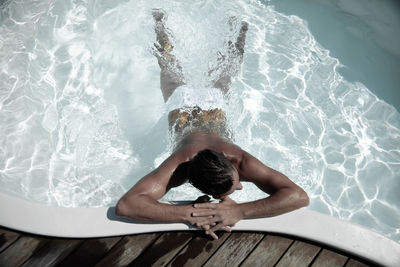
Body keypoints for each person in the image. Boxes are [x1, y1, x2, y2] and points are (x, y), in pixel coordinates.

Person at [115, 9, 309, 240]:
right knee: (194, 65)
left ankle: (168, 21)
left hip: (185, 106)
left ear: (229, 161)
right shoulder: (190, 163)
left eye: (234, 185)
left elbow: (299, 196)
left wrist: (240, 210)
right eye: (238, 185)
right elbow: (126, 206)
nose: (240, 188)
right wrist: (188, 214)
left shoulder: (201, 161)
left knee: (175, 64)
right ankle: (236, 25)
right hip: (200, 107)